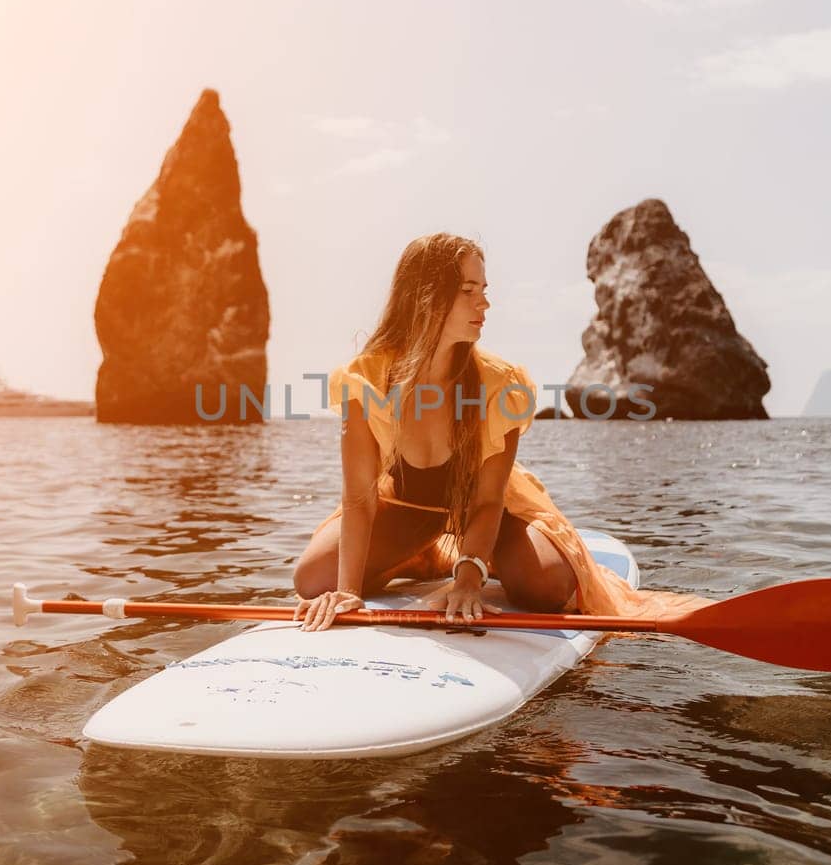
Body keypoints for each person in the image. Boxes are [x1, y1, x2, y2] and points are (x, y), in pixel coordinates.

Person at [292, 233, 710, 632]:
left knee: (544, 586)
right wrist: (347, 593)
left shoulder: (501, 384)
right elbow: (359, 499)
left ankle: (475, 556)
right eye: (469, 290)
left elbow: (489, 501)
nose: (485, 303)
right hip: (409, 512)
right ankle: (434, 553)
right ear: (427, 297)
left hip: (492, 511)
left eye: (484, 289)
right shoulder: (364, 380)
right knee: (313, 580)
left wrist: (469, 581)